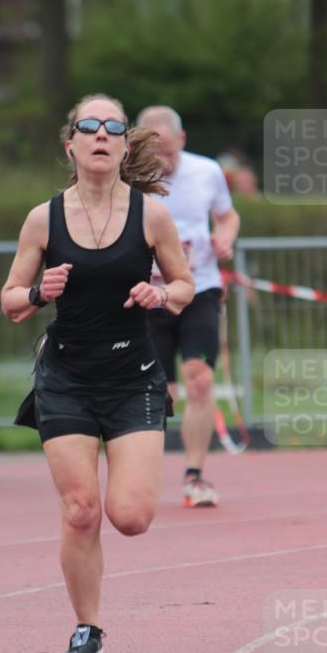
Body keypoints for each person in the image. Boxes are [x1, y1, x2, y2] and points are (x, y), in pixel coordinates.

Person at [1, 94, 194, 653]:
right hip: (65, 379)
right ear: (73, 145)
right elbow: (11, 299)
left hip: (132, 378)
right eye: (90, 127)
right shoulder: (44, 218)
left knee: (130, 517)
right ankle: (88, 627)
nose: (102, 135)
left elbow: (185, 286)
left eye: (114, 127)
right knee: (81, 509)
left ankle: (93, 613)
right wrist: (40, 293)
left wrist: (160, 293)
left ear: (122, 143)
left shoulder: (150, 216)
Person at [136, 106, 241, 507]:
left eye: (167, 149)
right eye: (152, 150)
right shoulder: (128, 181)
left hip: (200, 288)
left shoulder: (206, 171)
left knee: (199, 378)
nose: (161, 160)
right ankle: (141, 474)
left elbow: (228, 216)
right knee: (158, 390)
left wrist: (224, 238)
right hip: (149, 294)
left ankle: (195, 475)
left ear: (182, 140)